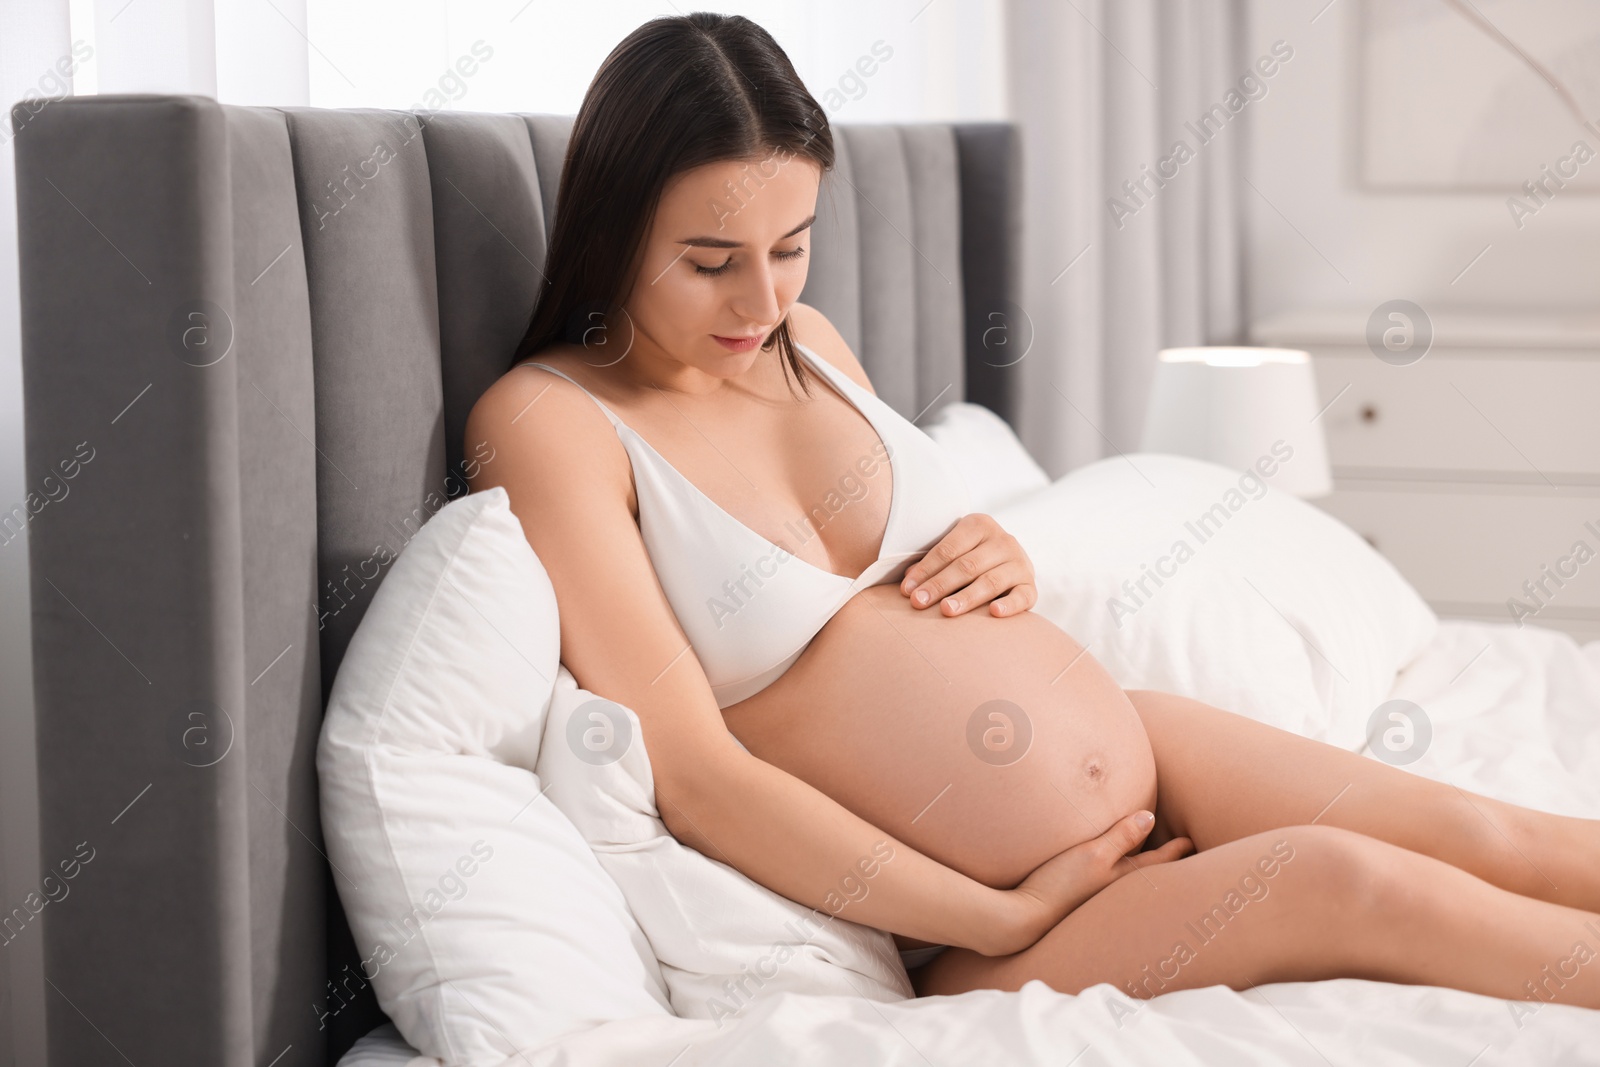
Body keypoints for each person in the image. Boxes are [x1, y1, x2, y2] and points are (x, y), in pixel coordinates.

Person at [465, 12, 1600, 1009]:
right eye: (711, 260)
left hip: (1134, 737)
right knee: (1351, 878)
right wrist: (992, 914)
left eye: (790, 247)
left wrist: (991, 547)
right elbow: (697, 772)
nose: (761, 298)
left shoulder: (804, 344)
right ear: (614, 229)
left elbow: (884, 587)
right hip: (962, 923)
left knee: (1484, 831)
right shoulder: (552, 419)